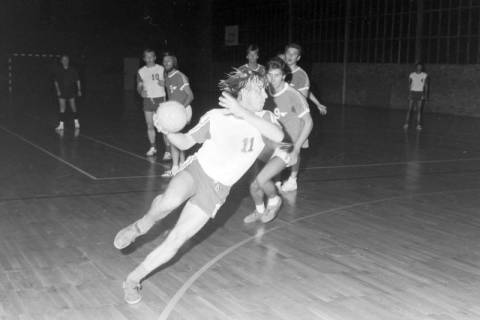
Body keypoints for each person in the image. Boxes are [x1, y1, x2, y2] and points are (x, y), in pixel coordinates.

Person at [113, 69, 283, 304]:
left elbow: (278, 135)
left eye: (265, 90)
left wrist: (242, 112)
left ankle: (133, 280)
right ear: (243, 92)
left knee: (177, 238)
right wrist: (169, 131)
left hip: (217, 190)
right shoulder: (216, 116)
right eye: (258, 90)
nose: (265, 94)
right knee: (169, 202)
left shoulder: (265, 118)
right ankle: (139, 226)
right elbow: (185, 141)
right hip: (197, 170)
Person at [244, 57, 313, 224]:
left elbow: (309, 122)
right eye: (270, 75)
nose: (273, 78)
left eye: (277, 75)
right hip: (267, 144)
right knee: (253, 186)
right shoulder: (264, 93)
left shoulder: (293, 95)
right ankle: (260, 211)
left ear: (283, 76)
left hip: (285, 146)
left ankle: (275, 201)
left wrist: (296, 149)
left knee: (262, 180)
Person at [279, 43, 326, 192]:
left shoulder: (301, 75)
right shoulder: (281, 71)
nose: (290, 56)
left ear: (298, 58)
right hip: (280, 116)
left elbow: (302, 98)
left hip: (295, 119)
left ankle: (292, 180)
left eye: (294, 54)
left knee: (295, 149)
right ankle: (277, 179)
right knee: (279, 148)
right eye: (288, 53)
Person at [161, 53, 194, 177]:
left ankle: (176, 169)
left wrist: (180, 108)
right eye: (164, 61)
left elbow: (190, 95)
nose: (166, 63)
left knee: (174, 139)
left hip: (183, 110)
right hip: (174, 112)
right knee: (176, 140)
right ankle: (180, 166)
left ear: (173, 62)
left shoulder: (180, 76)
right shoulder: (167, 76)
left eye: (168, 61)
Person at [137, 49, 166, 156]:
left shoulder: (161, 69)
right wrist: (141, 92)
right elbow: (139, 86)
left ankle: (168, 150)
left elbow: (168, 83)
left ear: (155, 57)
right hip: (148, 100)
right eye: (147, 57)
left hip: (160, 100)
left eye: (151, 56)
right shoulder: (141, 71)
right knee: (150, 125)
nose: (149, 59)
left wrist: (164, 83)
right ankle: (153, 147)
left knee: (163, 126)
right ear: (144, 59)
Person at [54, 55, 81, 131]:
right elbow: (56, 82)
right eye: (63, 60)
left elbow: (77, 80)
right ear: (61, 61)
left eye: (66, 59)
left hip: (71, 91)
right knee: (62, 108)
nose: (65, 61)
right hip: (62, 91)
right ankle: (61, 125)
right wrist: (58, 91)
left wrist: (79, 90)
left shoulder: (73, 70)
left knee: (73, 107)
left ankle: (76, 123)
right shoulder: (59, 70)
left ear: (68, 61)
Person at [404, 62, 429, 131]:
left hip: (420, 93)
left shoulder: (424, 75)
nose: (419, 68)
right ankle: (406, 123)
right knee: (409, 109)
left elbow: (426, 85)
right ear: (416, 67)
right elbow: (409, 85)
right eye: (418, 66)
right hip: (412, 92)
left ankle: (418, 125)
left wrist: (425, 95)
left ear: (422, 68)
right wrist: (409, 94)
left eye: (420, 67)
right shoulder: (412, 74)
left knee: (419, 110)